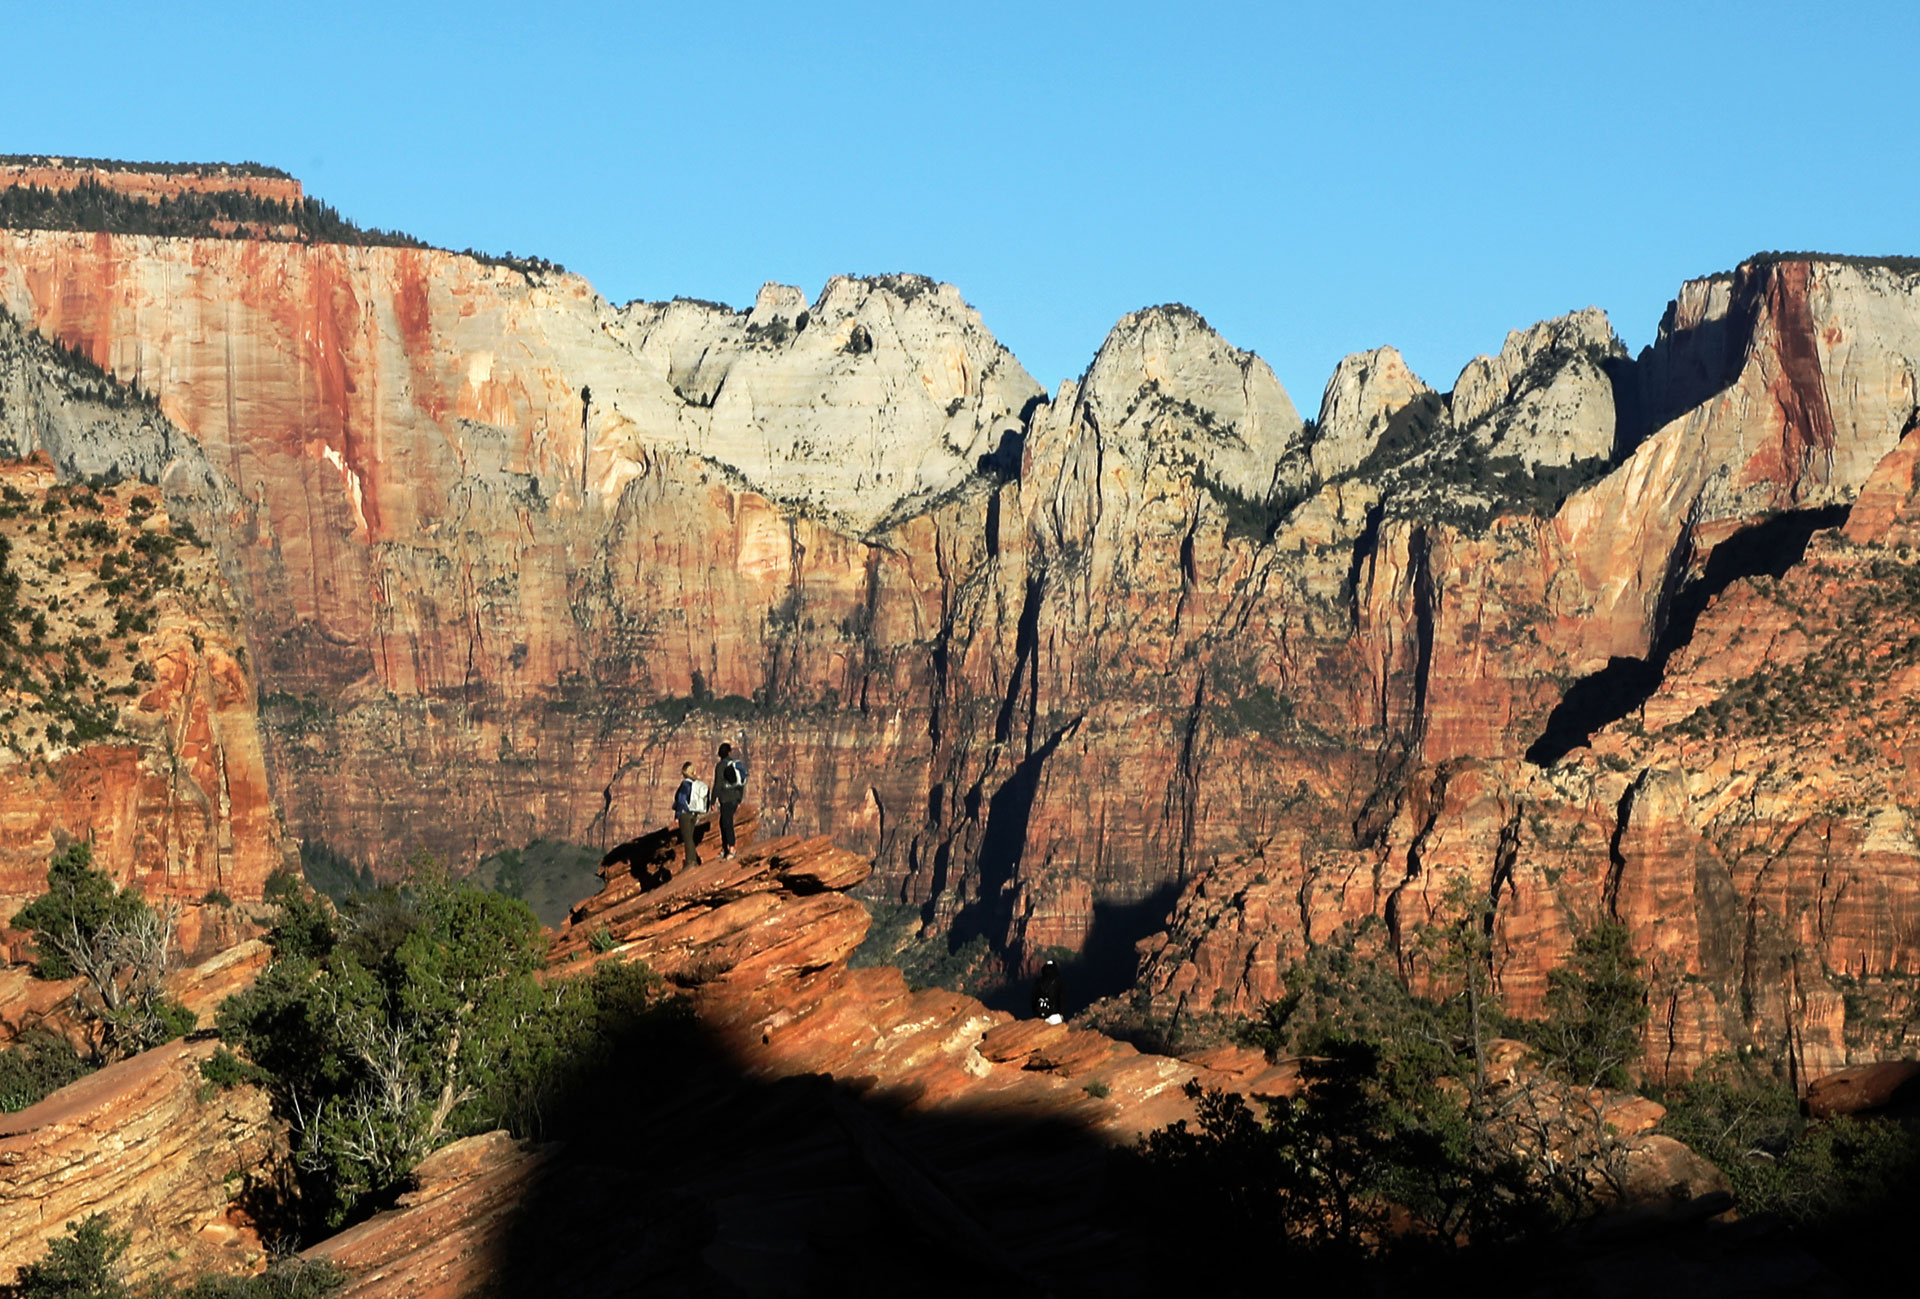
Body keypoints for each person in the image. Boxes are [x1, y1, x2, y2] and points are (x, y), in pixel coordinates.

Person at [711, 741, 749, 860]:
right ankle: (726, 848)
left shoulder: (721, 766)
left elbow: (717, 785)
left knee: (726, 823)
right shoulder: (735, 764)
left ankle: (731, 848)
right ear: (729, 752)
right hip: (734, 798)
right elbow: (741, 783)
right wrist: (739, 799)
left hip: (726, 799)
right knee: (724, 822)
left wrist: (712, 801)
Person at [672, 761, 709, 869]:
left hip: (685, 815)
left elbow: (681, 800)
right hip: (694, 814)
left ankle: (691, 862)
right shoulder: (696, 784)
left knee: (687, 839)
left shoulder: (685, 785)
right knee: (690, 837)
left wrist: (677, 815)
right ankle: (693, 860)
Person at [1031, 959, 1065, 1024]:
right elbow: (1062, 1000)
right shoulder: (1058, 982)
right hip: (1055, 1016)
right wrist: (1062, 1014)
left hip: (1040, 1016)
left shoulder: (1038, 982)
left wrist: (1036, 1014)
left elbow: (1033, 1000)